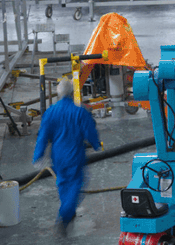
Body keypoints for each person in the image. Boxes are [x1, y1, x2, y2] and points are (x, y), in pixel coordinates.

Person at [33, 79, 103, 237]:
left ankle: (68, 212)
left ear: (58, 94)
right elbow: (89, 131)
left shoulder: (51, 112)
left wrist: (38, 155)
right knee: (76, 185)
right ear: (72, 93)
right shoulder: (79, 112)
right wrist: (96, 144)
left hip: (58, 156)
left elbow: (43, 136)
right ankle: (64, 216)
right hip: (74, 155)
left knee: (63, 184)